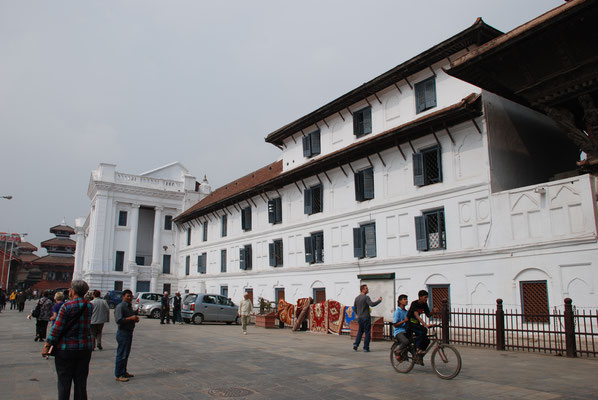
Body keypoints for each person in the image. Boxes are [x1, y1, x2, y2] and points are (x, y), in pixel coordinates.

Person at [41, 280, 93, 400]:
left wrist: (47, 345)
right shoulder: (89, 306)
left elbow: (57, 328)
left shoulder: (66, 306)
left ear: (73, 291)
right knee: (81, 382)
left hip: (66, 348)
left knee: (64, 381)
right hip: (85, 348)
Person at [114, 289, 140, 382]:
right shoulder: (120, 306)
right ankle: (119, 374)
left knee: (126, 353)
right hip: (123, 332)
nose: (129, 298)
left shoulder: (129, 306)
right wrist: (131, 318)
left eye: (130, 296)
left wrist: (134, 319)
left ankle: (123, 371)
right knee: (121, 354)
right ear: (123, 296)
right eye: (127, 296)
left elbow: (129, 318)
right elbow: (119, 320)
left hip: (129, 332)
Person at [352, 284, 382, 352]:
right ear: (363, 289)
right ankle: (366, 347)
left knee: (360, 331)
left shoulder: (357, 298)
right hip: (366, 317)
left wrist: (358, 314)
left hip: (360, 317)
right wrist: (379, 300)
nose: (367, 290)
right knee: (367, 332)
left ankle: (356, 344)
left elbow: (355, 307)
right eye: (366, 288)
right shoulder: (366, 297)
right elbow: (372, 304)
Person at [406, 290, 433, 356]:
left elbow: (428, 315)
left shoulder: (424, 304)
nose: (426, 299)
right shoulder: (414, 303)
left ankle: (420, 353)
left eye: (427, 297)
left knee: (427, 340)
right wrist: (425, 324)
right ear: (420, 297)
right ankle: (417, 348)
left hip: (416, 324)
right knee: (423, 330)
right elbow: (416, 315)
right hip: (410, 323)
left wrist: (433, 312)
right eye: (425, 297)